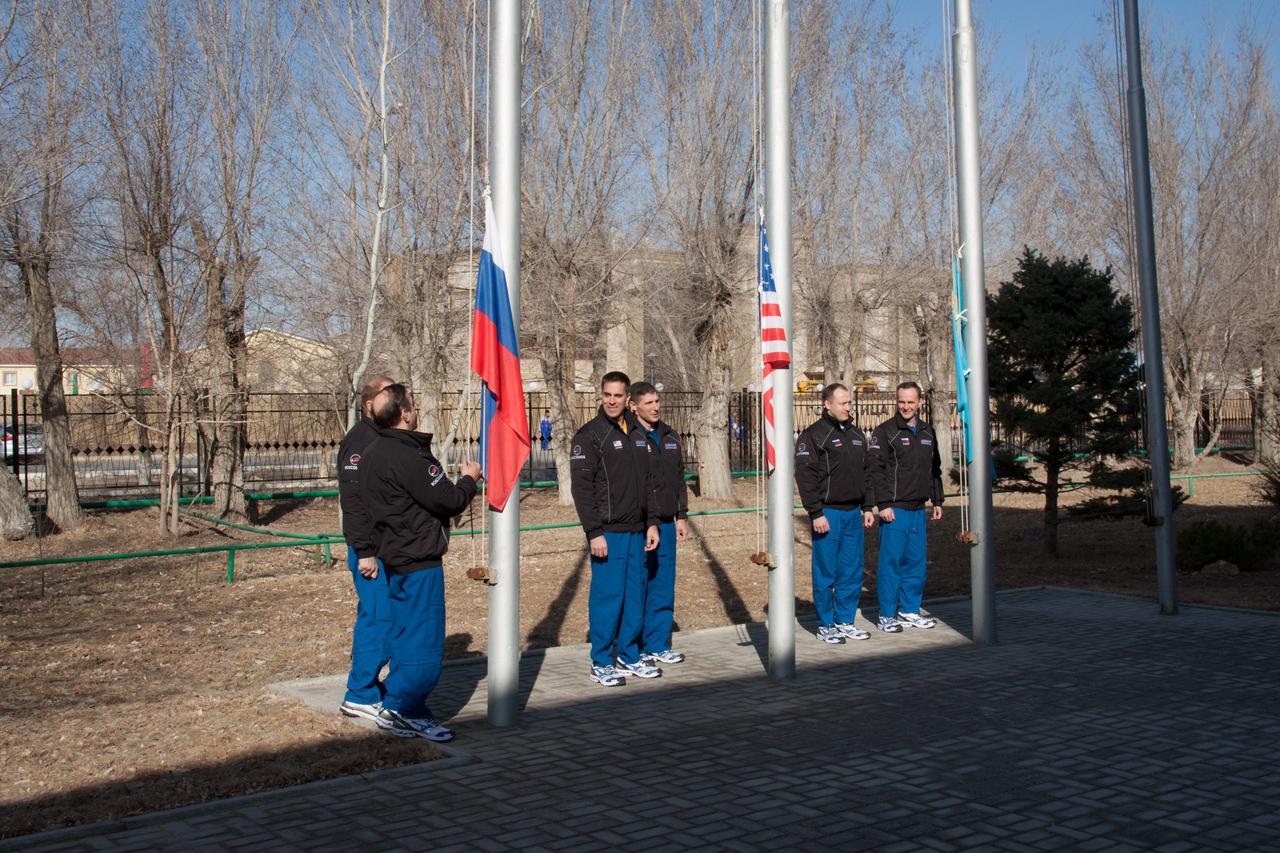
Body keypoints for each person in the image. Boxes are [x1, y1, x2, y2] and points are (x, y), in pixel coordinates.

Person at [359, 384, 482, 741]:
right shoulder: (410, 456)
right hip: (418, 561)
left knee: (402, 633)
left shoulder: (372, 452)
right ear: (404, 413)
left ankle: (396, 701)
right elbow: (449, 501)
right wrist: (469, 480)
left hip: (394, 558)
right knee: (422, 641)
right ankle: (406, 710)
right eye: (412, 405)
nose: (415, 410)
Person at [570, 371, 661, 687]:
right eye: (607, 395)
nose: (612, 401)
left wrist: (651, 523)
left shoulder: (637, 433)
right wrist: (594, 531)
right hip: (608, 533)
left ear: (627, 400)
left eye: (618, 395)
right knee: (608, 598)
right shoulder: (590, 436)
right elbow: (581, 489)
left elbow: (649, 483)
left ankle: (629, 654)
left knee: (635, 596)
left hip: (638, 531)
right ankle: (601, 661)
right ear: (601, 396)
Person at [794, 383, 877, 644]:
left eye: (849, 402)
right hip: (827, 514)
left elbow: (866, 474)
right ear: (827, 404)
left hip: (853, 512)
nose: (848, 407)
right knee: (826, 571)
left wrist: (866, 506)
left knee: (851, 572)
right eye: (842, 403)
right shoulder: (813, 436)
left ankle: (845, 620)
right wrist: (816, 512)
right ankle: (826, 624)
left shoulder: (855, 434)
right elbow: (805, 477)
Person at [336, 374, 394, 722]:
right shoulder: (360, 442)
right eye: (389, 396)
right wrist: (364, 550)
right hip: (371, 550)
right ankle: (359, 693)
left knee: (375, 619)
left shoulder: (380, 437)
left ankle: (367, 686)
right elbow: (353, 501)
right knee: (380, 620)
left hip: (386, 546)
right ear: (370, 403)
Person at [868, 381, 944, 633]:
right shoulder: (885, 432)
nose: (906, 406)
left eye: (911, 402)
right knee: (891, 562)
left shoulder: (927, 432)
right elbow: (875, 472)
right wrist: (883, 504)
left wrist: (937, 500)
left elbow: (935, 470)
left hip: (918, 509)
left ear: (920, 402)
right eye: (901, 401)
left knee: (916, 561)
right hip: (895, 510)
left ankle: (910, 610)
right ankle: (887, 615)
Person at [627, 381, 688, 666]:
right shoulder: (629, 435)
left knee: (663, 586)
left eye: (657, 401)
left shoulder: (671, 436)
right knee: (638, 587)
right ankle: (632, 647)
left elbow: (679, 480)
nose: (655, 407)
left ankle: (658, 644)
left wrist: (681, 516)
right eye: (649, 403)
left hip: (666, 522)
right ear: (634, 406)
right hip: (638, 526)